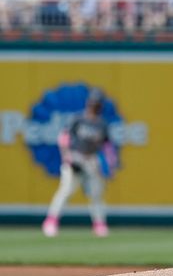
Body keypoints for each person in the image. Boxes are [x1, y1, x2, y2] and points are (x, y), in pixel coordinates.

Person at [42, 87, 117, 237]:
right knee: (66, 191)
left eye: (97, 104)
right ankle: (51, 221)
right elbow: (63, 138)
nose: (94, 106)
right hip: (75, 157)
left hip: (92, 160)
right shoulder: (78, 119)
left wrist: (109, 164)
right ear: (88, 103)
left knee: (96, 194)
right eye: (93, 103)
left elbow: (107, 146)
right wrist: (66, 156)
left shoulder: (102, 124)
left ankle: (99, 224)